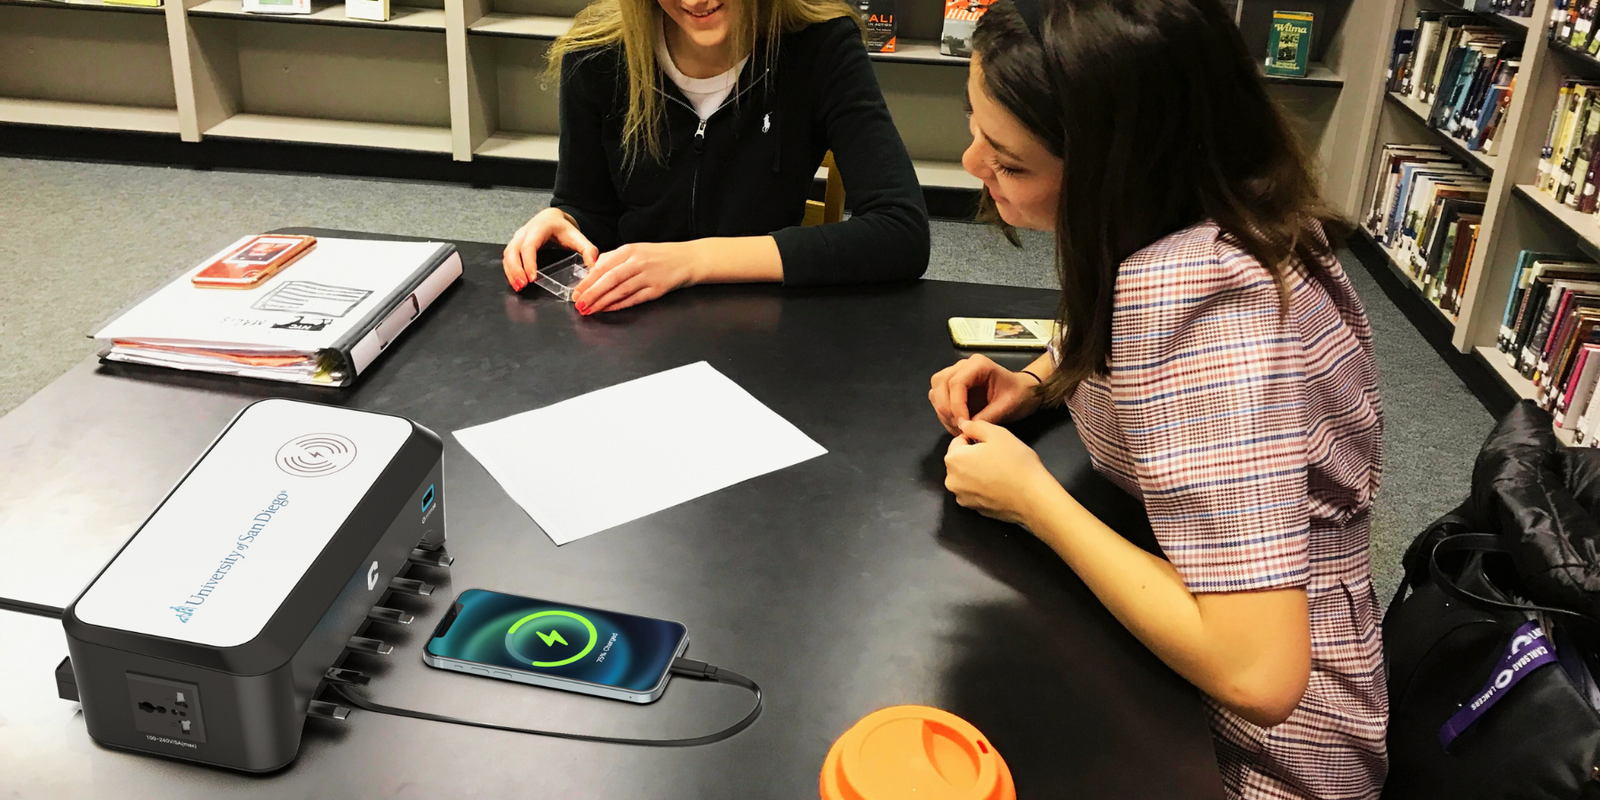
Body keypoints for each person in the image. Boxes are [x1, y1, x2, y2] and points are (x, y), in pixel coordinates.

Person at [926, 0, 1385, 797]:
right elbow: (1114, 333)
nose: (973, 164)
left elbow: (1259, 673)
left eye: (1012, 160)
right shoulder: (1218, 208)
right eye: (976, 128)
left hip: (1253, 755)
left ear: (1116, 169)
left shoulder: (1206, 306)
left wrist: (1032, 499)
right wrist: (1039, 381)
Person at [501, 0, 930, 315]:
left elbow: (901, 232)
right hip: (629, 328)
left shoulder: (821, 43)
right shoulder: (595, 51)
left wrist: (692, 261)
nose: (695, 1)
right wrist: (566, 221)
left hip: (764, 326)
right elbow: (590, 206)